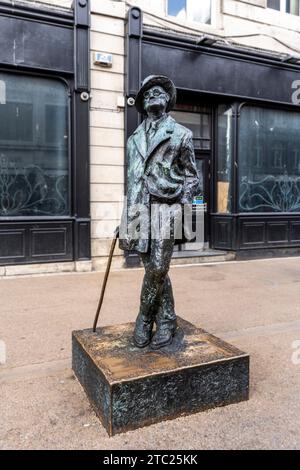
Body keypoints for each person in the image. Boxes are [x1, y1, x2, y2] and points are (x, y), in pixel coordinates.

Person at [119, 75, 200, 349]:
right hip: (139, 209)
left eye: (159, 92)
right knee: (150, 267)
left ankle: (144, 317)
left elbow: (192, 178)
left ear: (167, 100)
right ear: (142, 102)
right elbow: (131, 179)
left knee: (158, 267)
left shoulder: (181, 135)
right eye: (148, 93)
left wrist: (182, 207)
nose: (153, 95)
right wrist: (125, 218)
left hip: (166, 207)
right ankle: (166, 320)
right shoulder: (133, 140)